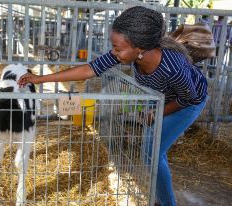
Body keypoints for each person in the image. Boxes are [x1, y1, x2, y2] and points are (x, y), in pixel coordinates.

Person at [18, 6, 208, 206]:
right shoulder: (130, 52)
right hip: (161, 96)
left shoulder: (173, 66)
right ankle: (160, 195)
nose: (114, 53)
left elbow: (189, 98)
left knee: (152, 152)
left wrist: (156, 113)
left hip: (188, 103)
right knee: (150, 151)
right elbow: (88, 69)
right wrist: (40, 79)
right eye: (114, 47)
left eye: (118, 48)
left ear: (140, 48)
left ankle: (167, 203)